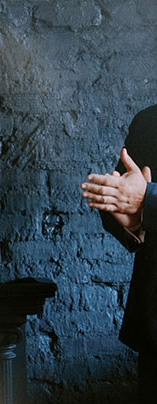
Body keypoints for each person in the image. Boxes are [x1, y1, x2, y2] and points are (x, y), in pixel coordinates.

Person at [82, 107, 157, 403]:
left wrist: (147, 202)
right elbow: (125, 199)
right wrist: (131, 219)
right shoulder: (149, 121)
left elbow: (143, 199)